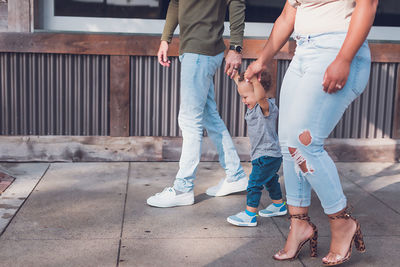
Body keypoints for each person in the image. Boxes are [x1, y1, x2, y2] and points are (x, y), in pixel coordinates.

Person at [245, 0, 377, 265]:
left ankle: (342, 222)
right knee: (287, 145)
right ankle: (299, 225)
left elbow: (368, 4)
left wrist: (344, 58)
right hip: (302, 51)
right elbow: (287, 15)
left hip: (337, 48)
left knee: (303, 143)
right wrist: (261, 59)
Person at [146, 0, 248, 208]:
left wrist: (236, 46)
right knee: (209, 116)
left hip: (202, 51)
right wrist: (166, 39)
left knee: (189, 120)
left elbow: (237, 2)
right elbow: (175, 2)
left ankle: (183, 188)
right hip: (193, 49)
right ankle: (235, 174)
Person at [227, 72, 287, 227]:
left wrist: (253, 79)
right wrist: (235, 76)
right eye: (242, 96)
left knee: (254, 184)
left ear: (258, 90)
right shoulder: (254, 106)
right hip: (265, 155)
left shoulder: (265, 107)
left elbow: (260, 96)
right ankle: (279, 205)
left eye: (246, 97)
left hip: (267, 155)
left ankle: (250, 215)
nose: (243, 100)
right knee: (270, 180)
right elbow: (244, 88)